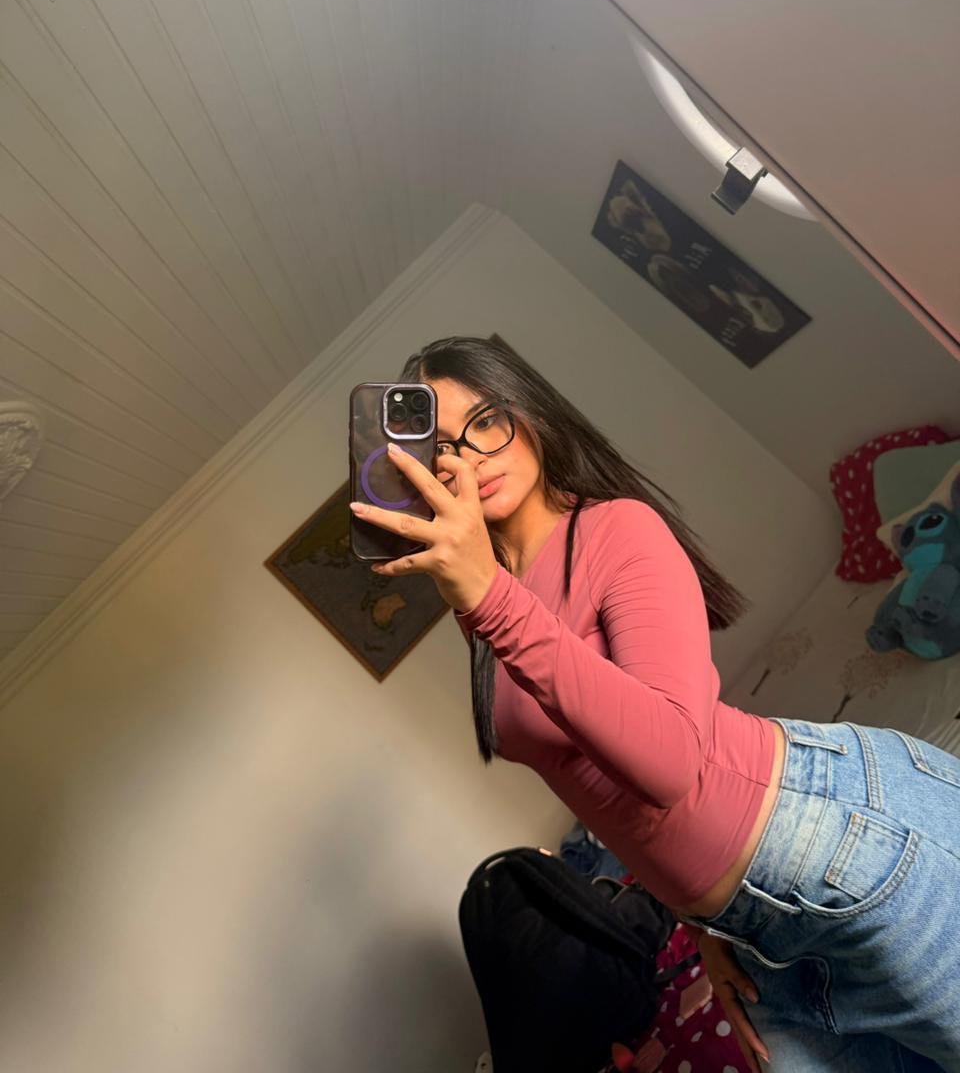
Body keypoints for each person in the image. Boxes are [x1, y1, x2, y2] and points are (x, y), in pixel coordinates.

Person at [348, 335, 960, 1072]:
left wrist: (489, 599)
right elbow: (602, 790)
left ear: (529, 412)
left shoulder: (613, 529)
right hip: (749, 919)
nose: (472, 457)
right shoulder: (486, 598)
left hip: (828, 834)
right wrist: (700, 922)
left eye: (486, 421)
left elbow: (671, 764)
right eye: (445, 446)